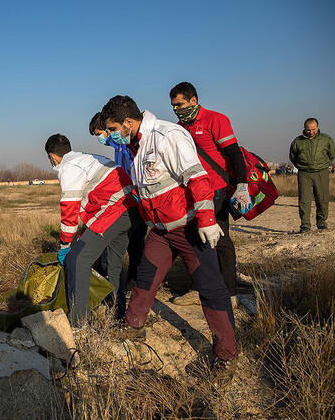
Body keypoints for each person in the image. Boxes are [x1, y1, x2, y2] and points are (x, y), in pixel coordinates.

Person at [100, 95, 238, 374]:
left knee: (211, 289)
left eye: (114, 129)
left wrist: (207, 219)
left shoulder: (167, 136)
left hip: (188, 227)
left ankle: (226, 354)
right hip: (161, 231)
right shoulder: (139, 146)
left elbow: (197, 177)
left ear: (128, 122)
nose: (112, 135)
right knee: (145, 278)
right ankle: (134, 326)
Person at [169, 82, 250, 308]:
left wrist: (241, 186)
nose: (177, 109)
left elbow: (234, 153)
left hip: (216, 190)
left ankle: (230, 292)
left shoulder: (216, 120)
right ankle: (199, 288)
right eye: (173, 106)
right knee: (195, 238)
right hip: (192, 192)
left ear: (193, 100)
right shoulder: (178, 128)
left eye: (180, 104)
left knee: (220, 238)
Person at [45, 133, 139, 325]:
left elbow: (70, 207)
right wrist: (82, 234)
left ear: (52, 156)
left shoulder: (68, 167)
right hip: (131, 210)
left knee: (77, 259)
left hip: (113, 211)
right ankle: (118, 316)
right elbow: (92, 201)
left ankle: (77, 323)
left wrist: (65, 245)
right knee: (113, 264)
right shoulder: (85, 158)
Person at [89, 112, 147, 320]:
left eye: (101, 133)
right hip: (132, 203)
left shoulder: (126, 147)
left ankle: (123, 295)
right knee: (133, 248)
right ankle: (131, 286)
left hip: (134, 203)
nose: (101, 138)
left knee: (119, 252)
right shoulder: (119, 148)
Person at [289, 118, 335, 232]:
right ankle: (305, 225)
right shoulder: (298, 141)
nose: (311, 132)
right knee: (304, 199)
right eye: (308, 130)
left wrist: (323, 165)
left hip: (321, 172)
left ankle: (322, 223)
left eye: (313, 129)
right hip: (304, 173)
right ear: (304, 129)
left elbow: (332, 154)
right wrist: (302, 166)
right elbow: (293, 156)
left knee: (322, 198)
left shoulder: (326, 139)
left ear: (318, 127)